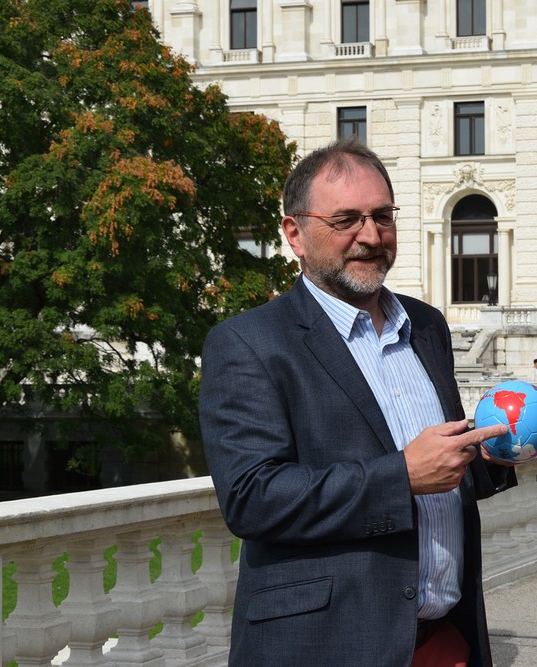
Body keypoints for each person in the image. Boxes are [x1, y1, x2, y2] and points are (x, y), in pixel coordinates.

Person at [199, 137, 517, 667]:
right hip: (326, 648)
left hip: (445, 642)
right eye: (346, 220)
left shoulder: (426, 326)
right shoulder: (247, 343)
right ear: (295, 234)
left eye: (382, 216)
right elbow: (252, 498)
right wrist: (401, 476)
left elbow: (438, 473)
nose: (371, 236)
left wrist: (488, 457)